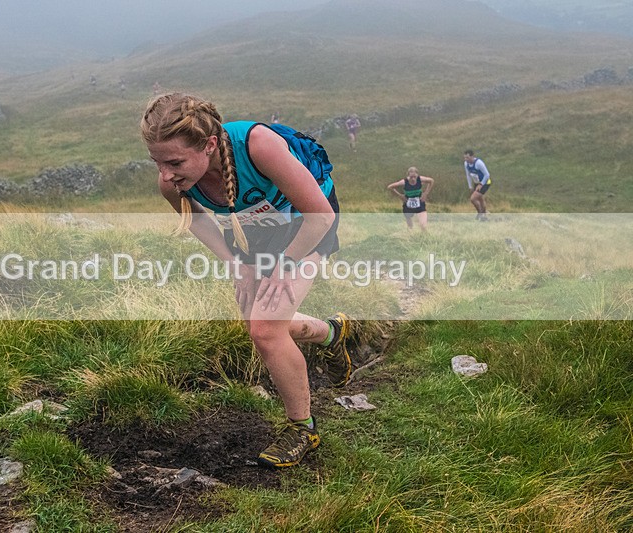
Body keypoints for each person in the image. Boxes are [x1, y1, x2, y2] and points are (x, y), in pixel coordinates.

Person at [141, 92, 354, 469]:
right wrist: (236, 264)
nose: (166, 174)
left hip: (309, 223)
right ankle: (333, 334)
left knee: (266, 329)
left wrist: (283, 265)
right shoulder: (171, 182)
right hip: (263, 231)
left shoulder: (259, 147)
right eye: (157, 161)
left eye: (174, 161)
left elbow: (319, 216)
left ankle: (303, 429)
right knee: (262, 322)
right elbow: (196, 219)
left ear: (209, 145)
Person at [387, 167, 434, 231]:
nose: (413, 179)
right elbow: (390, 187)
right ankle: (410, 236)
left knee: (423, 226)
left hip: (419, 202)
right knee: (410, 227)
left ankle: (424, 237)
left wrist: (426, 194)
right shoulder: (404, 182)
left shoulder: (420, 179)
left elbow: (431, 181)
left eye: (415, 176)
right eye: (411, 177)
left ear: (417, 175)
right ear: (408, 175)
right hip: (408, 204)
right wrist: (400, 196)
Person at [463, 149, 491, 221]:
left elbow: (487, 174)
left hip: (485, 182)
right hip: (476, 183)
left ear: (472, 156)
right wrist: (470, 186)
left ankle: (480, 213)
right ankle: (484, 216)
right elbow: (468, 175)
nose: (466, 159)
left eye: (467, 158)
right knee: (480, 199)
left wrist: (481, 184)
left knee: (473, 199)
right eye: (465, 158)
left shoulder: (479, 163)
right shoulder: (466, 164)